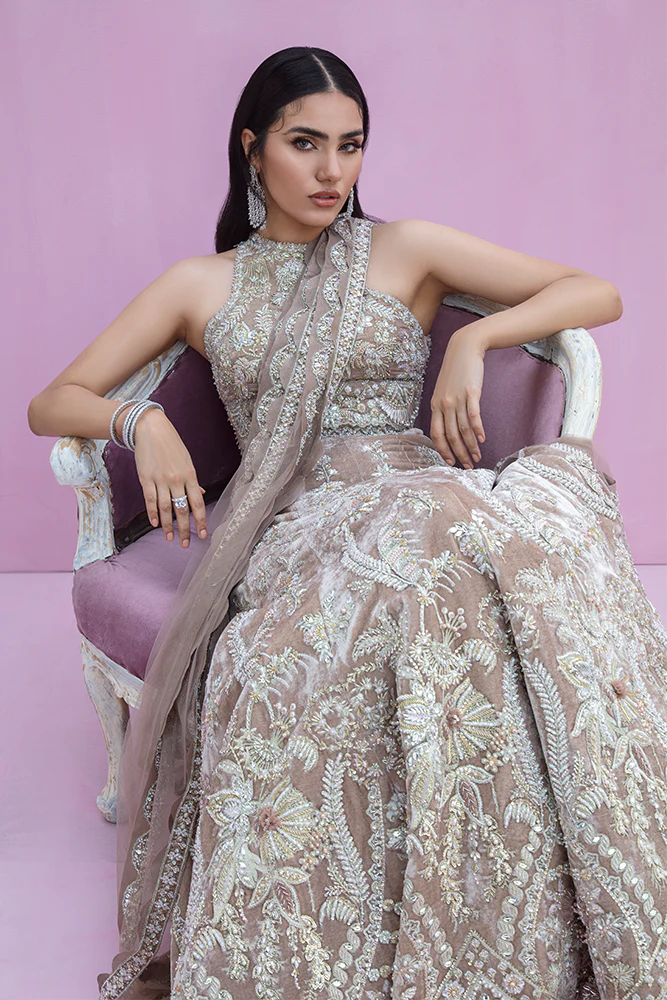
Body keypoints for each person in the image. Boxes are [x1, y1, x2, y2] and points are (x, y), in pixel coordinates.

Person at [27, 45, 667, 1000]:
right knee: (405, 574)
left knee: (475, 543)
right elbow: (52, 401)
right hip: (299, 520)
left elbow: (593, 292)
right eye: (305, 143)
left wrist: (477, 338)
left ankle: (507, 904)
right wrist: (140, 420)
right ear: (252, 148)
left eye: (351, 145)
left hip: (419, 492)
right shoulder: (199, 284)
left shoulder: (403, 248)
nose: (332, 171)